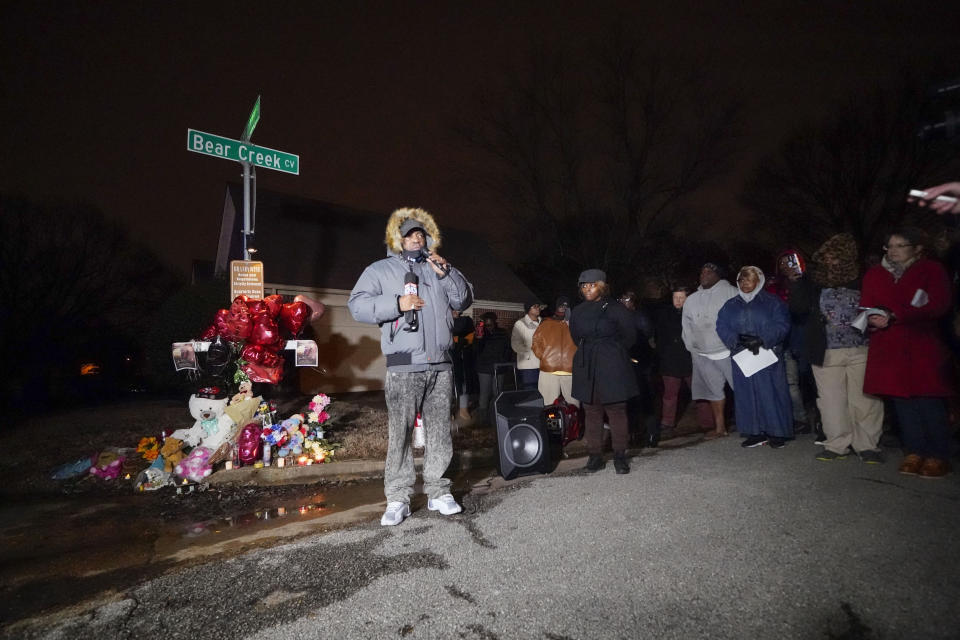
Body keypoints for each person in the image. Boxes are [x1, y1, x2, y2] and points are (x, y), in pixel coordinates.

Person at [348, 207, 474, 526]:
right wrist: (396, 305)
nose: (416, 239)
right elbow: (357, 306)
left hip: (441, 365)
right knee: (401, 433)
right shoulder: (380, 270)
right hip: (404, 366)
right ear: (398, 240)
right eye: (410, 234)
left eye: (421, 234)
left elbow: (463, 300)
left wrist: (448, 273)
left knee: (439, 432)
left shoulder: (439, 268)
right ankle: (398, 497)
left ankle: (438, 491)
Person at [860, 228, 954, 478]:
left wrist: (898, 315)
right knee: (903, 404)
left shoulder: (931, 270)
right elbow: (867, 305)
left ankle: (938, 455)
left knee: (928, 401)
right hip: (889, 348)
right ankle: (914, 451)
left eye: (900, 245)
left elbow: (939, 304)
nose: (893, 250)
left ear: (917, 248)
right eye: (889, 246)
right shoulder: (875, 274)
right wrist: (871, 318)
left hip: (922, 346)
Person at [789, 234, 885, 462]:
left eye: (836, 256)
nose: (831, 261)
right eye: (828, 256)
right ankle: (836, 444)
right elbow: (798, 308)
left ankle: (867, 445)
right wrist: (798, 283)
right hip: (826, 350)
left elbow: (879, 304)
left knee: (865, 400)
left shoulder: (862, 278)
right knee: (831, 401)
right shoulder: (813, 280)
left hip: (861, 347)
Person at [569, 269, 639, 474]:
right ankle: (595, 456)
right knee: (591, 411)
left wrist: (611, 351)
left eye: (592, 284)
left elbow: (630, 337)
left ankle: (620, 456)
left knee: (616, 410)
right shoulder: (578, 311)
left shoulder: (616, 309)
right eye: (583, 286)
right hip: (587, 363)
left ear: (603, 285)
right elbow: (575, 337)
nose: (587, 289)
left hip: (612, 363)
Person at [717, 266, 793, 448]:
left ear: (758, 281)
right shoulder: (730, 305)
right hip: (743, 356)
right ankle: (754, 431)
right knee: (746, 394)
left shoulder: (772, 302)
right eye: (741, 280)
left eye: (749, 280)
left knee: (771, 392)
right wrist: (736, 339)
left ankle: (777, 432)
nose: (744, 284)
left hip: (767, 355)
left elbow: (782, 324)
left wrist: (763, 339)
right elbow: (721, 326)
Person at [681, 262, 739, 438]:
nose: (703, 274)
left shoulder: (732, 292)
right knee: (714, 393)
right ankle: (720, 428)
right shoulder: (692, 299)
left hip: (727, 351)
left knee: (742, 389)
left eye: (709, 272)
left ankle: (756, 424)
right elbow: (686, 326)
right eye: (702, 271)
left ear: (718, 275)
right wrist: (692, 348)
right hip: (703, 354)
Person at [765, 249, 812, 433]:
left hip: (804, 338)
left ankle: (817, 419)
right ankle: (797, 418)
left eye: (791, 262)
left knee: (809, 380)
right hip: (782, 341)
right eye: (782, 262)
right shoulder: (773, 286)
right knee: (789, 382)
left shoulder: (808, 283)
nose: (786, 266)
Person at [652, 285, 707, 442]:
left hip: (691, 360)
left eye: (681, 297)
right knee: (669, 394)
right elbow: (659, 337)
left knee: (699, 392)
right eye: (676, 297)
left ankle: (707, 422)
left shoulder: (695, 314)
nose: (678, 300)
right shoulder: (664, 314)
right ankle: (667, 422)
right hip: (670, 361)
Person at [618, 290, 656, 446]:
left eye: (627, 299)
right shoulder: (619, 317)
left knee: (646, 399)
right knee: (629, 402)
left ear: (633, 302)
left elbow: (647, 335)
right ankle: (633, 434)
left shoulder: (640, 317)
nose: (623, 302)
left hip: (642, 364)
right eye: (621, 299)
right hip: (626, 364)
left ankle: (652, 434)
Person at [531, 296, 578, 407]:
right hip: (549, 371)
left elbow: (582, 342)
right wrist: (544, 357)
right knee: (548, 405)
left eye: (566, 306)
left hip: (571, 370)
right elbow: (535, 343)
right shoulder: (546, 323)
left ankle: (573, 424)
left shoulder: (575, 324)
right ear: (557, 307)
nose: (563, 308)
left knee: (574, 406)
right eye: (561, 306)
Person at [475, 311, 514, 421]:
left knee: (497, 393)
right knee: (484, 394)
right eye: (485, 321)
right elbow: (476, 350)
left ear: (494, 321)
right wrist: (479, 338)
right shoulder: (480, 333)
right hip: (484, 368)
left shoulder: (502, 333)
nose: (487, 323)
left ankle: (495, 417)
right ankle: (483, 419)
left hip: (499, 367)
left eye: (489, 320)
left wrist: (504, 362)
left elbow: (508, 349)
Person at [450, 310, 477, 423]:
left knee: (464, 384)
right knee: (449, 385)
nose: (455, 312)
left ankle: (463, 409)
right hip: (450, 357)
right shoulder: (445, 320)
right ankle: (449, 410)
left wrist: (464, 341)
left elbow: (471, 335)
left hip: (464, 357)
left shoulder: (466, 321)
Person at [512, 301, 544, 390]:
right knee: (531, 395)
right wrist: (530, 352)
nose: (538, 308)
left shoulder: (544, 323)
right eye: (535, 306)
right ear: (528, 309)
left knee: (544, 393)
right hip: (528, 367)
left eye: (538, 306)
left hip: (544, 365)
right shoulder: (520, 324)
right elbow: (515, 344)